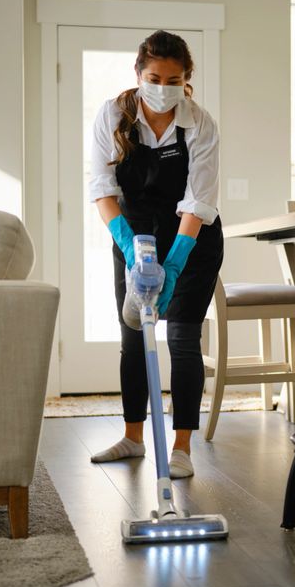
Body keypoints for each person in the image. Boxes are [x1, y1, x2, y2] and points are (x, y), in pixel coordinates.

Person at [88, 30, 223, 479]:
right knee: (133, 336)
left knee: (183, 339)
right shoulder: (114, 115)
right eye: (154, 76)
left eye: (173, 79)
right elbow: (102, 189)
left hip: (192, 238)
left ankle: (182, 447)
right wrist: (130, 249)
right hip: (133, 232)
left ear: (186, 79)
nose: (162, 87)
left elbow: (198, 201)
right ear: (138, 73)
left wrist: (175, 260)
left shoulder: (199, 123)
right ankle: (133, 437)